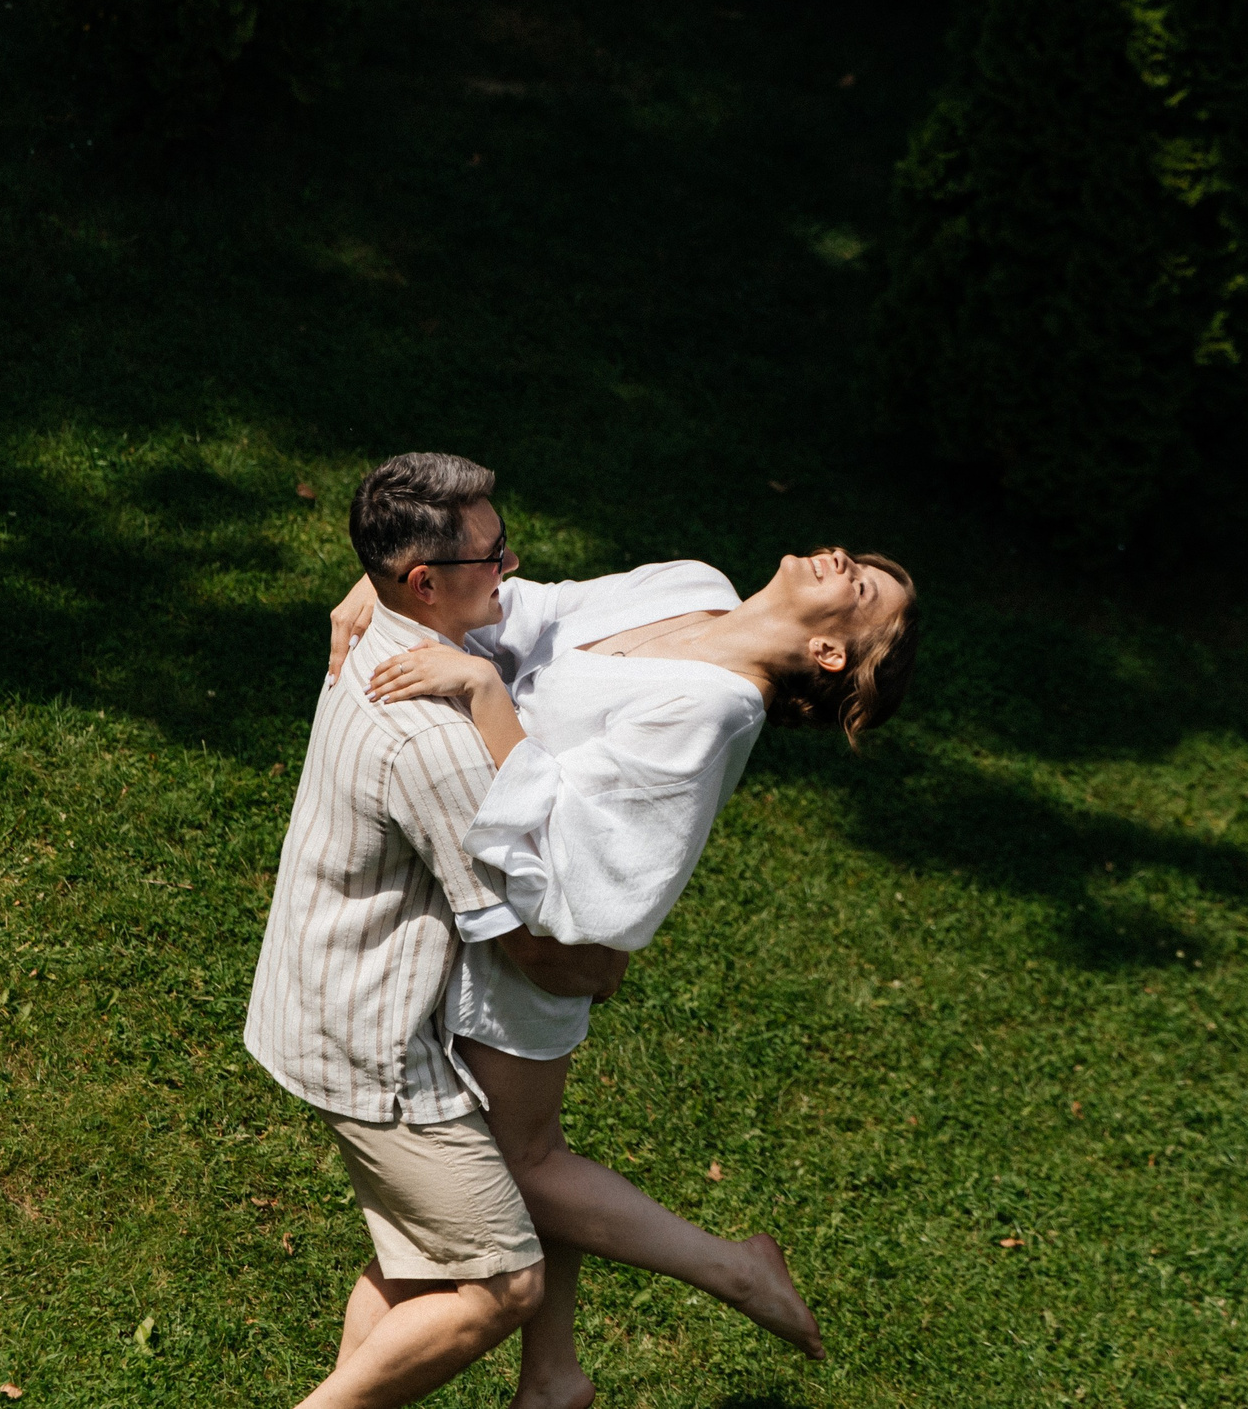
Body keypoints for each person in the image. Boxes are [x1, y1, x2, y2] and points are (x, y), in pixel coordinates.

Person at [328, 543, 919, 1409]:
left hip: (527, 942)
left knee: (499, 1187)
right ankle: (554, 1377)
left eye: (860, 585)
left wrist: (489, 696)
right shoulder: (694, 586)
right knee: (526, 1164)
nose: (842, 560)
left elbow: (585, 861)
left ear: (833, 652)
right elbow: (534, 610)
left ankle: (735, 1273)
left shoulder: (712, 710)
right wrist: (403, 586)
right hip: (478, 905)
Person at [246, 452, 606, 1409]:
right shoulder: (432, 735)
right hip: (369, 1042)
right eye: (494, 557)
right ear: (424, 582)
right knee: (503, 1283)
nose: (510, 571)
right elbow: (516, 931)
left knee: (417, 1271)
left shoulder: (380, 634)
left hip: (313, 996)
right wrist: (600, 966)